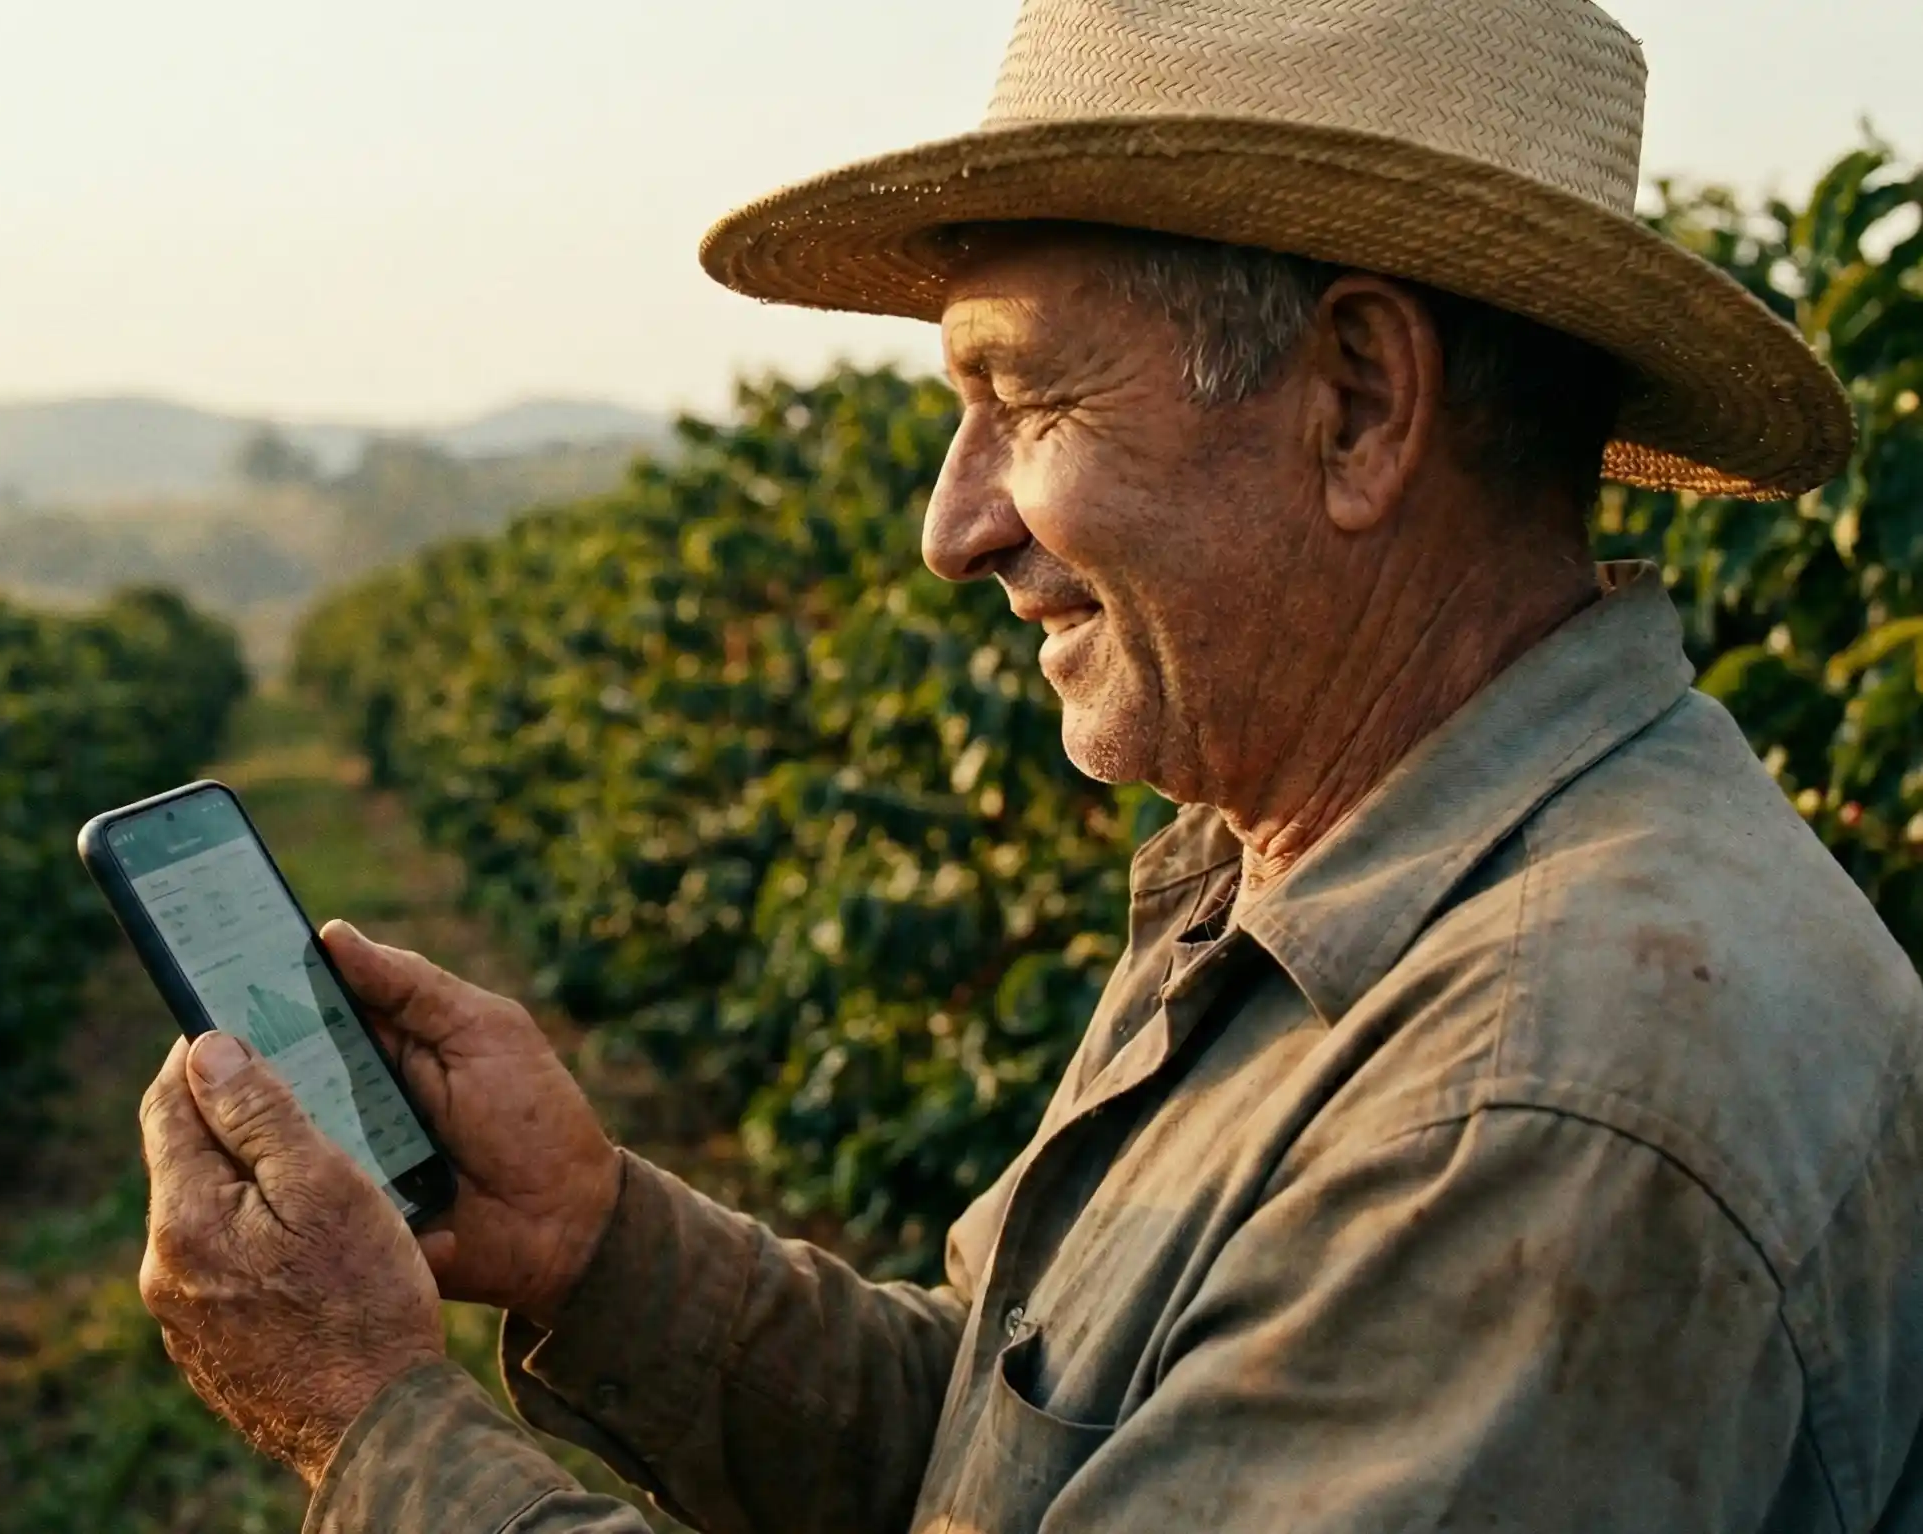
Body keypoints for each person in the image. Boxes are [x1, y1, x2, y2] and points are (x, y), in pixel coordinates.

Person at [133, 0, 1923, 1528]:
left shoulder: (1536, 1099)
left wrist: (371, 1421)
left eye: (1030, 400)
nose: (952, 526)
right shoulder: (1320, 877)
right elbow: (1025, 1451)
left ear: (1360, 402)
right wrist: (591, 1246)